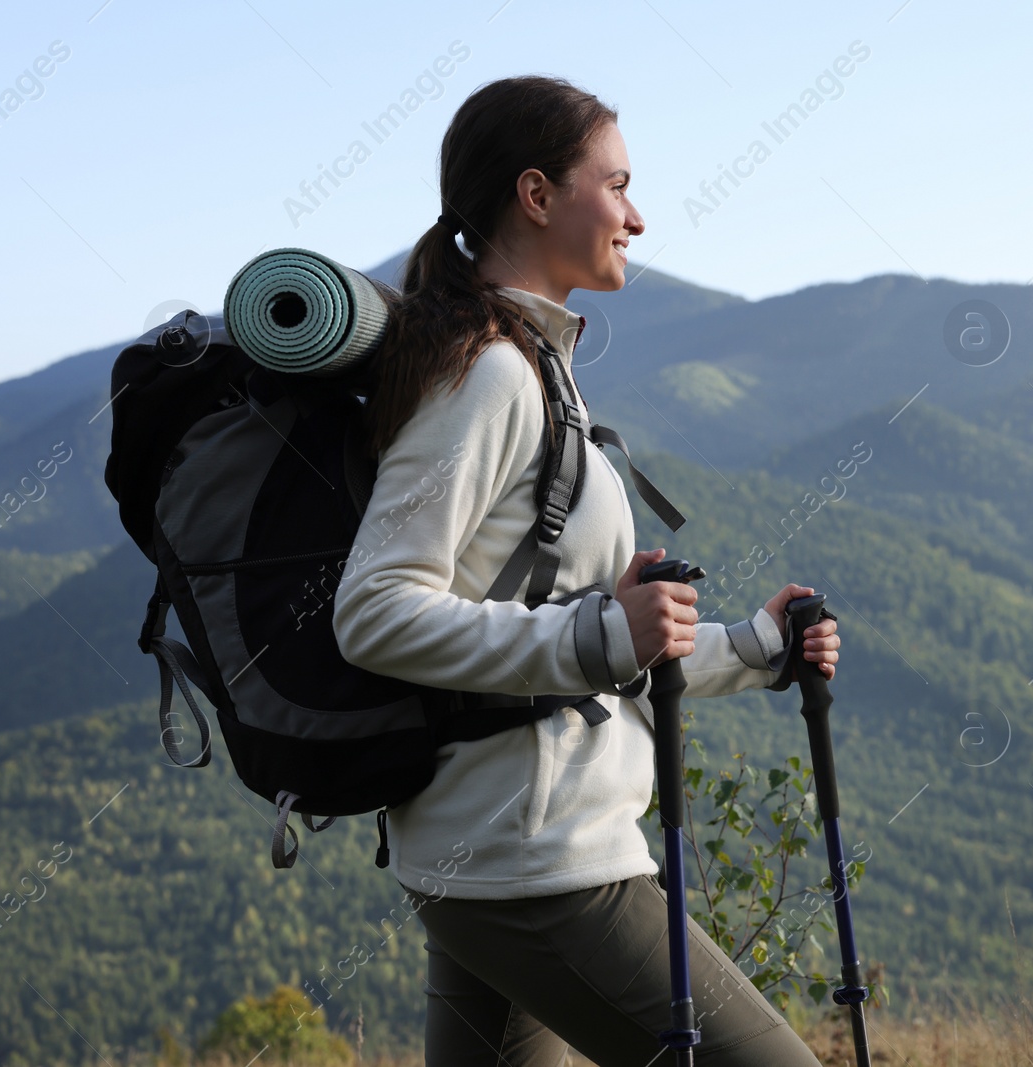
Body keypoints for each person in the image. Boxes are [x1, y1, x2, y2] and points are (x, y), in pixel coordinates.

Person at [331, 74, 840, 1066]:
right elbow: (376, 609)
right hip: (542, 864)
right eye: (615, 184)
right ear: (535, 194)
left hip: (495, 854)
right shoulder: (487, 373)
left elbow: (584, 643)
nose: (636, 215)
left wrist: (757, 647)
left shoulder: (525, 362)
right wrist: (601, 631)